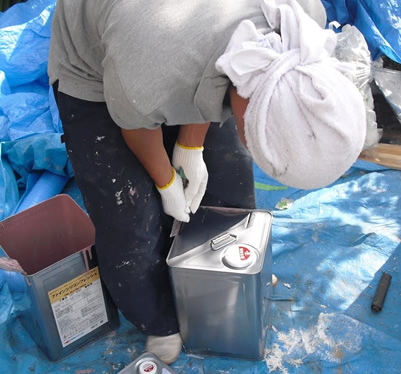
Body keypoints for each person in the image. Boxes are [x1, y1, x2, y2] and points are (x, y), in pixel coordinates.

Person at [48, 0, 366, 364]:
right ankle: (157, 318)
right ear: (251, 99)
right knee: (130, 218)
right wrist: (166, 180)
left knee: (228, 178)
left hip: (171, 51)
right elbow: (135, 124)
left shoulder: (300, 19)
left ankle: (230, 279)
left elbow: (208, 80)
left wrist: (189, 144)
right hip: (100, 65)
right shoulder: (153, 60)